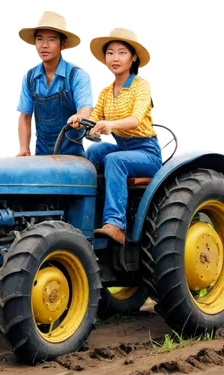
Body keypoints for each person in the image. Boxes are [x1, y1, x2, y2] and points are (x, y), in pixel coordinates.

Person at [68, 25, 164, 245]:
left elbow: (136, 120)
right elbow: (93, 118)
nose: (115, 58)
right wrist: (79, 120)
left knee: (114, 160)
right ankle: (84, 215)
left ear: (133, 58)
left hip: (145, 151)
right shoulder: (105, 89)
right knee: (92, 150)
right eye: (110, 53)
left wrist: (109, 125)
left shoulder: (140, 86)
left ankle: (116, 223)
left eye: (122, 52)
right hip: (120, 145)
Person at [15, 8, 94, 157]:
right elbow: (25, 116)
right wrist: (24, 149)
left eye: (51, 39)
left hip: (73, 155)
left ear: (63, 45)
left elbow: (85, 109)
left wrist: (79, 117)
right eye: (39, 39)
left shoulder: (77, 76)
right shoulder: (30, 77)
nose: (44, 45)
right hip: (41, 155)